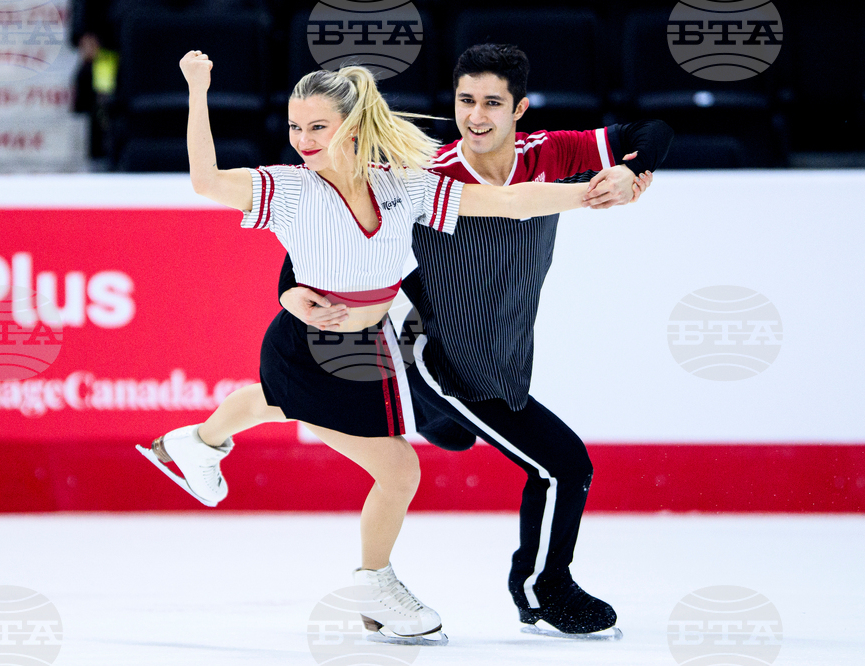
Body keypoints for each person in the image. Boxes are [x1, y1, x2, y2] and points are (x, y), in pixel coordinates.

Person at [137, 49, 598, 646]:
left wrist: (587, 196)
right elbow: (205, 181)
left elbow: (506, 202)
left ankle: (194, 442)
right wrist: (198, 90)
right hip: (309, 347)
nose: (303, 139)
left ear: (351, 128)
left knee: (273, 404)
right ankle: (373, 585)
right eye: (295, 126)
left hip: (363, 347)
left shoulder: (402, 186)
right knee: (398, 467)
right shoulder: (291, 191)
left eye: (318, 126)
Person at [279, 44, 674, 641]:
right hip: (442, 360)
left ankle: (231, 425)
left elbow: (653, 129)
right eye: (466, 100)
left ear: (519, 109)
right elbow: (327, 233)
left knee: (459, 440)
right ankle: (543, 589)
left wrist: (633, 169)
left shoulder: (551, 154)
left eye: (493, 102)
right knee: (563, 466)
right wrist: (289, 289)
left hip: (506, 360)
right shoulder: (428, 176)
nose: (477, 115)